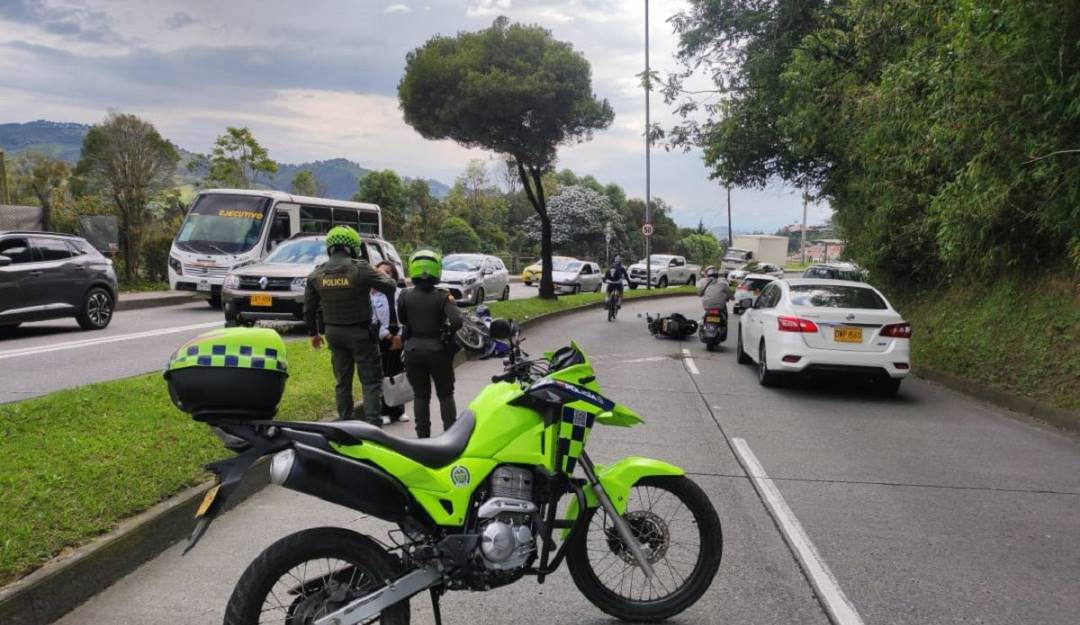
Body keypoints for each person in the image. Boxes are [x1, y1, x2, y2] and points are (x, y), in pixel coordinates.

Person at [304, 226, 398, 425]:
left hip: (334, 333)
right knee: (371, 382)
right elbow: (390, 285)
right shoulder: (360, 268)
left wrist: (314, 334)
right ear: (353, 246)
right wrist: (373, 270)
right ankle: (373, 427)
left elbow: (308, 309)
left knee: (342, 382)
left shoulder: (317, 274)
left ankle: (346, 424)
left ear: (330, 247)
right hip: (361, 333)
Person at [398, 249, 464, 438]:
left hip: (413, 350)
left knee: (420, 396)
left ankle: (423, 437)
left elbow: (403, 320)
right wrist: (447, 333)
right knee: (445, 393)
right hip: (438, 350)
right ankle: (450, 435)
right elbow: (457, 321)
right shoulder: (443, 296)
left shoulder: (404, 295)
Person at [371, 260, 410, 425]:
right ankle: (385, 411)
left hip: (400, 336)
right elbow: (373, 321)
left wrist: (400, 337)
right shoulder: (372, 297)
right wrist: (389, 337)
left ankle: (399, 410)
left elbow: (407, 317)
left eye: (388, 272)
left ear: (393, 275)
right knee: (384, 374)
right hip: (384, 338)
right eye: (380, 272)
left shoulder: (401, 294)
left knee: (398, 373)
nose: (384, 274)